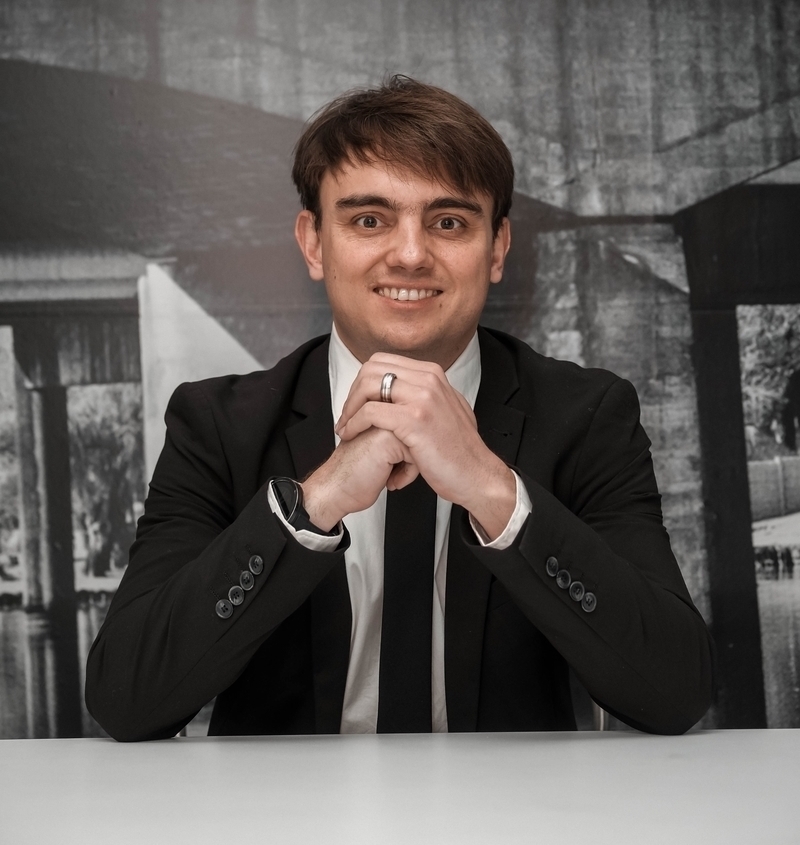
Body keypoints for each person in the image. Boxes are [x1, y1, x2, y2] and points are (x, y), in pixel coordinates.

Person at [85, 76, 714, 741]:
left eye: (449, 222)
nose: (411, 255)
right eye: (369, 220)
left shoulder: (588, 417)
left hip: (513, 801)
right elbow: (127, 698)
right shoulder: (216, 425)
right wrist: (312, 505)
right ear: (314, 243)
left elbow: (674, 692)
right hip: (283, 804)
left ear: (497, 247)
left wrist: (494, 490)